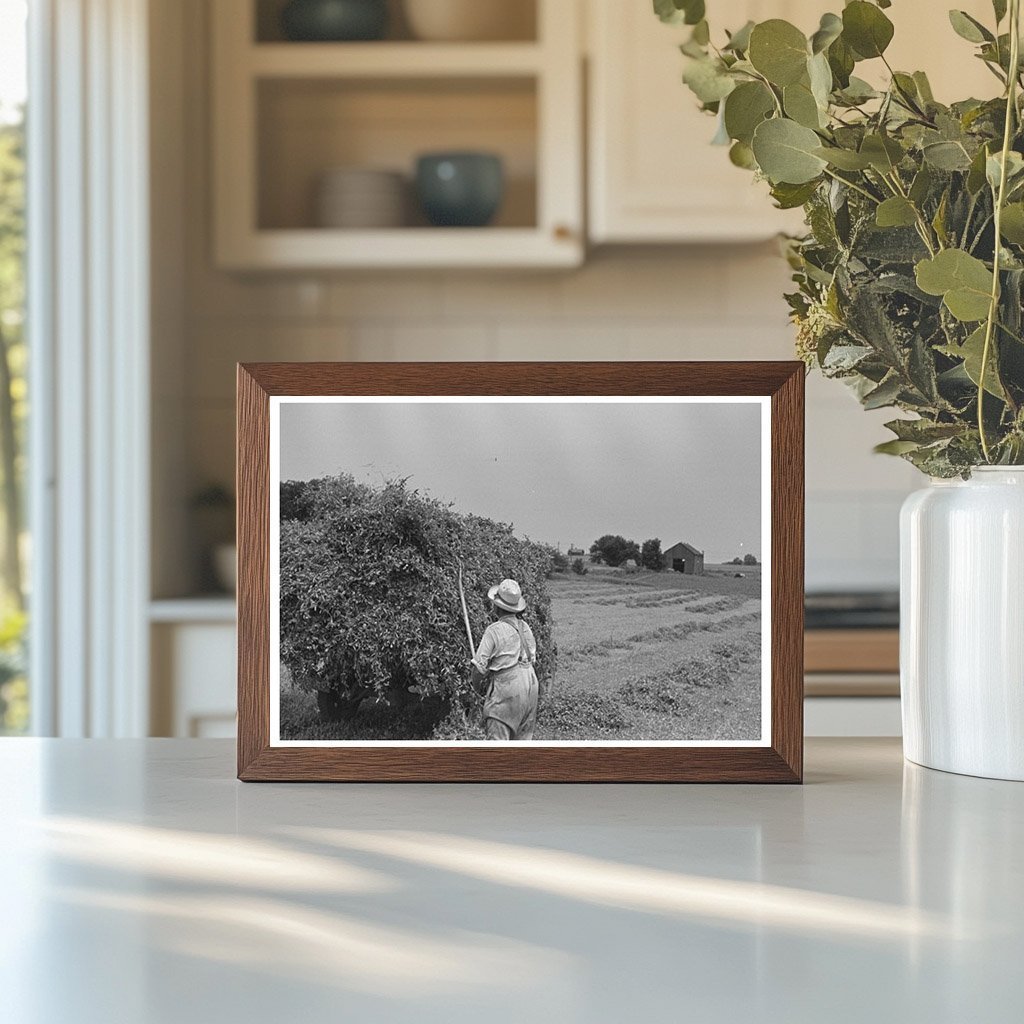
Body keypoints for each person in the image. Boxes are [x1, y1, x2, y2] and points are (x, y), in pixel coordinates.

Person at [470, 578, 539, 741]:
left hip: (509, 689)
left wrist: (476, 688)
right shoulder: (525, 627)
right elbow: (532, 659)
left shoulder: (494, 630)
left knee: (498, 746)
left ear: (497, 606)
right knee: (522, 745)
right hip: (530, 685)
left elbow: (479, 668)